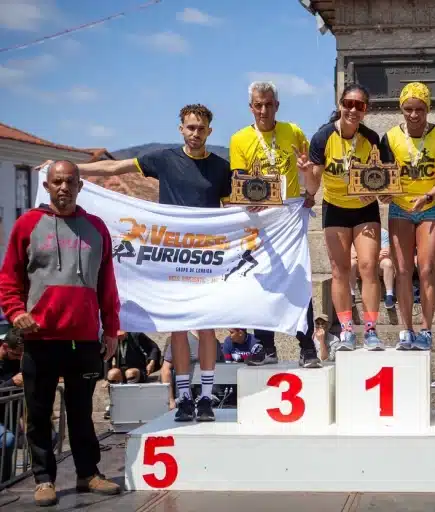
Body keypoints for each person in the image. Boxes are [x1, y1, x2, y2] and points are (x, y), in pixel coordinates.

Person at [68, 104, 232, 423]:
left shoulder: (221, 168)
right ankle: (184, 398)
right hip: (173, 256)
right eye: (190, 127)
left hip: (208, 257)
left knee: (208, 327)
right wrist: (71, 169)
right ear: (180, 129)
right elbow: (117, 170)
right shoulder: (163, 159)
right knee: (180, 329)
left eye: (201, 128)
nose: (195, 133)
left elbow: (238, 206)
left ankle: (207, 397)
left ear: (210, 131)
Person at [0, 160, 122, 506]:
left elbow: (107, 284)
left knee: (82, 411)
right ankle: (44, 479)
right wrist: (16, 313)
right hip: (39, 340)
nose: (64, 188)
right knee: (38, 413)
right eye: (57, 182)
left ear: (80, 186)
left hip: (83, 339)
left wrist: (111, 329)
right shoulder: (28, 225)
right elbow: (9, 279)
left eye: (70, 181)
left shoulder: (96, 228)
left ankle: (88, 474)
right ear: (48, 186)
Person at [229, 81, 321, 369]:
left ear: (277, 106)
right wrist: (247, 199)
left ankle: (307, 348)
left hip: (289, 220)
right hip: (258, 220)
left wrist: (309, 190)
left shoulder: (293, 132)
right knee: (262, 283)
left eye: (269, 104)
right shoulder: (239, 139)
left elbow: (310, 172)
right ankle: (266, 347)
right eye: (258, 104)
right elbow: (239, 180)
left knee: (298, 281)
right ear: (251, 107)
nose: (264, 110)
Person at [304, 83, 384, 351]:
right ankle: (347, 331)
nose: (352, 109)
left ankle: (371, 331)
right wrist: (307, 173)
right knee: (339, 271)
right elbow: (314, 186)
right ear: (340, 105)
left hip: (365, 209)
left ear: (365, 110)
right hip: (335, 207)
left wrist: (376, 190)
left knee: (368, 267)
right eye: (348, 104)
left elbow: (382, 177)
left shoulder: (372, 139)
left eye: (359, 106)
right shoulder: (322, 137)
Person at [379, 82, 435, 350]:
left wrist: (428, 196)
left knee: (426, 269)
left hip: (430, 206)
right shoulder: (389, 137)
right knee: (402, 270)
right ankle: (406, 330)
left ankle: (426, 329)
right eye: (408, 109)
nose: (414, 114)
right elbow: (385, 175)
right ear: (401, 109)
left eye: (419, 109)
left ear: (428, 109)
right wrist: (384, 192)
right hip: (400, 207)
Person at [104, 331, 161, 420]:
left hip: (138, 370)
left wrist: (152, 362)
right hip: (121, 370)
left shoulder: (137, 335)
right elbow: (108, 358)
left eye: (121, 335)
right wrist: (106, 377)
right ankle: (114, 404)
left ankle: (132, 404)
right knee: (112, 374)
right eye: (117, 336)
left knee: (130, 373)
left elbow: (154, 347)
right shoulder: (113, 339)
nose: (120, 337)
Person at [351, 227, 394, 309]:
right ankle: (351, 295)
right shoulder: (355, 231)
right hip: (361, 267)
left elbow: (386, 252)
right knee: (351, 263)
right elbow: (353, 254)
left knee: (388, 263)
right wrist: (376, 254)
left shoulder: (382, 232)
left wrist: (364, 256)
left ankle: (389, 296)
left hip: (376, 266)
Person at [0, 327, 23, 483]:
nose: (17, 359)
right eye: (16, 354)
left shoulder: (15, 361)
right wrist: (12, 383)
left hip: (11, 415)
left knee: (50, 436)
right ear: (5, 346)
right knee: (7, 440)